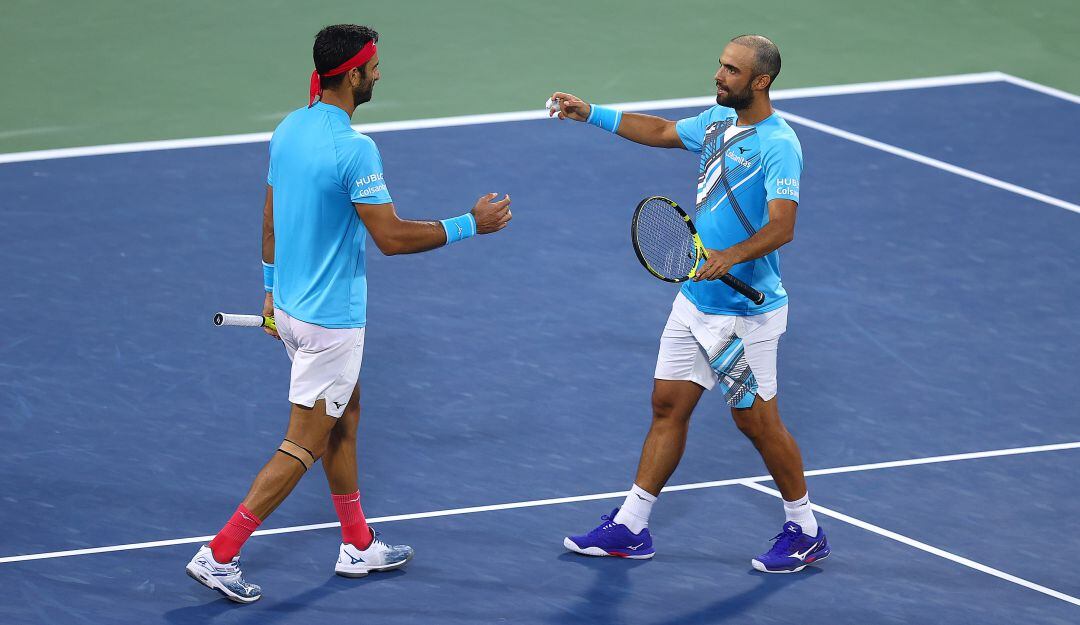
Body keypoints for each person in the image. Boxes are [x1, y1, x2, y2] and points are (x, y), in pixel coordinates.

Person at [185, 24, 512, 603]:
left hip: (288, 308)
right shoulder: (353, 148)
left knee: (345, 415)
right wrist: (471, 224)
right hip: (329, 323)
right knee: (302, 444)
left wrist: (268, 292)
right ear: (354, 73)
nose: (380, 74)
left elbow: (270, 219)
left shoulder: (289, 127)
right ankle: (220, 552)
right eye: (375, 66)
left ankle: (357, 545)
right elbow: (390, 237)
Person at [551, 34, 828, 573]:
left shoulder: (779, 144)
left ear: (760, 81)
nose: (719, 76)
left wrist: (731, 255)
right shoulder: (718, 122)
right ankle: (631, 526)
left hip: (744, 318)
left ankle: (805, 529)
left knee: (757, 423)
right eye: (720, 66)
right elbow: (659, 130)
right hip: (696, 301)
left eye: (730, 70)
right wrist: (591, 113)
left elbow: (783, 225)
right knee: (667, 405)